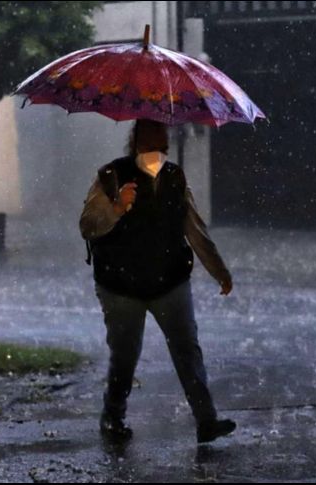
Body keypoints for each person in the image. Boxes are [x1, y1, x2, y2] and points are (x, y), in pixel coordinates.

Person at [80, 119, 236, 444]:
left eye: (163, 146)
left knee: (187, 350)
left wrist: (218, 269)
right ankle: (113, 417)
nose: (158, 153)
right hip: (120, 285)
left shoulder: (174, 177)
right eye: (152, 145)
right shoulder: (110, 176)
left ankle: (206, 420)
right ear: (136, 143)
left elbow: (193, 228)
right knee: (124, 354)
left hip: (169, 279)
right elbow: (88, 225)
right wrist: (117, 207)